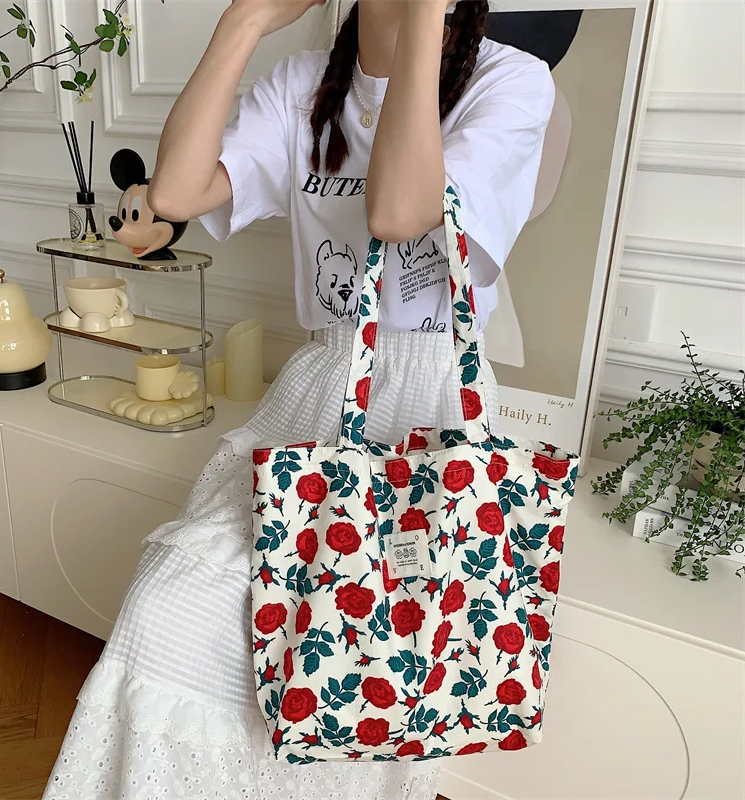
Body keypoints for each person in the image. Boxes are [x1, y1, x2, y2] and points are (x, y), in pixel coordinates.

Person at [44, 1, 554, 797]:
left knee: (370, 656)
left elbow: (398, 212)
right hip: (321, 386)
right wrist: (245, 20)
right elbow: (175, 193)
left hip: (430, 408)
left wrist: (426, 15)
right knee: (171, 608)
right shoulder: (308, 83)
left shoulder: (511, 82)